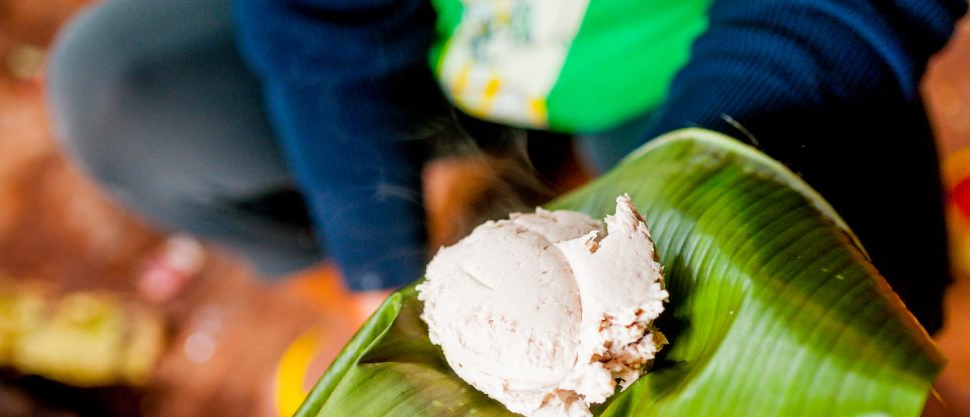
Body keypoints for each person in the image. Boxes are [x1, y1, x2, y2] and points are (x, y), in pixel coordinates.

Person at [49, 0, 966, 345]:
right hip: (454, 44)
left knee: (860, 311)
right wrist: (376, 268)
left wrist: (690, 181)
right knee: (121, 93)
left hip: (717, 55)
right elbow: (317, 23)